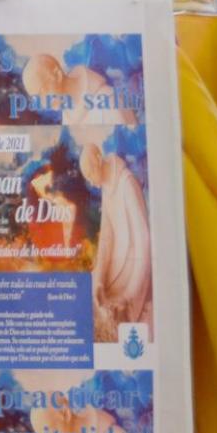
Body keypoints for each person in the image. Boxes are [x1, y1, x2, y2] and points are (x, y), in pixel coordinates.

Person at [79, 144, 153, 342]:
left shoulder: (126, 183)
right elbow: (106, 237)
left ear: (98, 162)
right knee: (90, 297)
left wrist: (130, 294)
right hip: (116, 263)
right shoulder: (106, 184)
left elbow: (144, 240)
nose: (92, 184)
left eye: (90, 174)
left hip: (134, 267)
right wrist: (99, 279)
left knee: (112, 313)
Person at [21, 54, 138, 126]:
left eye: (43, 91)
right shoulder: (68, 119)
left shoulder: (110, 102)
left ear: (57, 76)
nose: (43, 103)